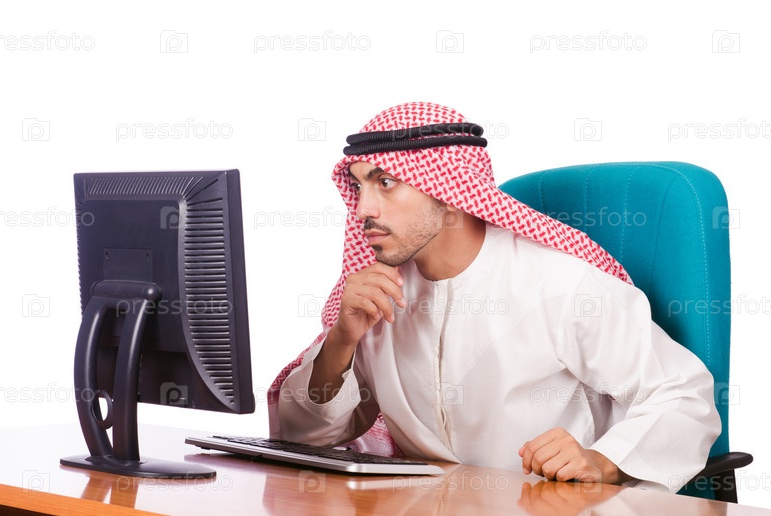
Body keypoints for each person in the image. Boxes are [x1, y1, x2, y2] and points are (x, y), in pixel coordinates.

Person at [267, 102, 720, 492]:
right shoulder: (380, 296)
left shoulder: (558, 284)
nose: (363, 209)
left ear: (447, 188)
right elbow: (303, 438)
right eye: (359, 185)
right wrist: (342, 340)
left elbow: (686, 397)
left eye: (384, 182)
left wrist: (603, 461)